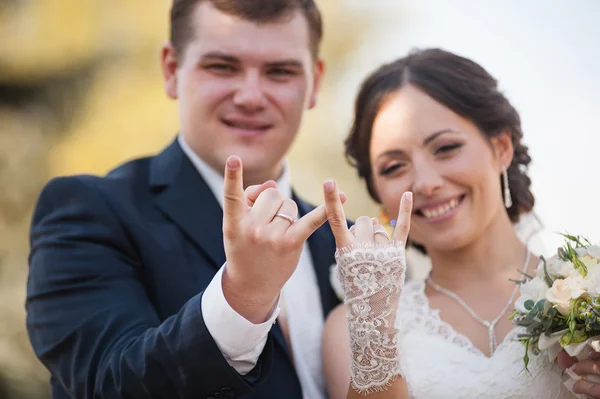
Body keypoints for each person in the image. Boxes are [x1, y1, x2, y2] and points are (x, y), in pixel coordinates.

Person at [25, 1, 344, 398]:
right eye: (222, 67)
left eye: (279, 71)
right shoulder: (87, 211)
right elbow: (105, 384)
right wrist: (243, 296)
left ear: (315, 81)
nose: (250, 96)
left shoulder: (345, 245)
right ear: (172, 69)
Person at [321, 48, 600, 398]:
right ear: (378, 192)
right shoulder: (350, 330)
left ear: (501, 148)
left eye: (446, 147)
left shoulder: (593, 290)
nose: (425, 183)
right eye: (393, 167)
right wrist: (375, 328)